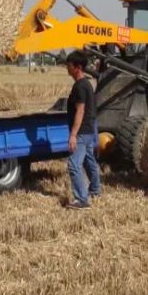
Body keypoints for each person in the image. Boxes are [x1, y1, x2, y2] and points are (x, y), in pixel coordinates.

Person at [64, 50, 101, 209]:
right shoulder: (87, 84)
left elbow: (80, 110)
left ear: (77, 67)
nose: (67, 68)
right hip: (89, 129)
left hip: (81, 131)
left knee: (74, 164)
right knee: (89, 160)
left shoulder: (80, 87)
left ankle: (82, 200)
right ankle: (95, 189)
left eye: (69, 65)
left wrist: (73, 134)